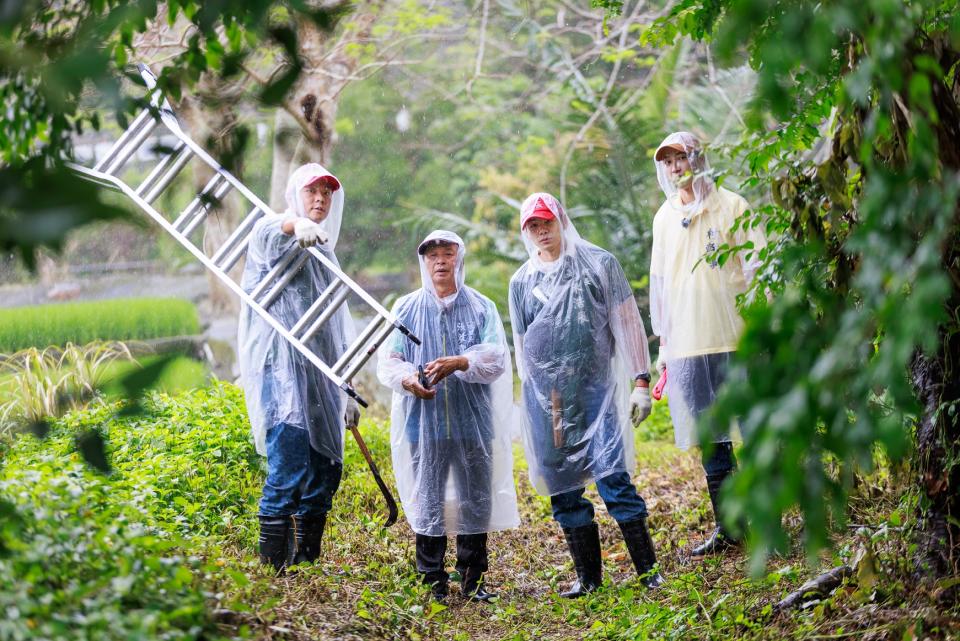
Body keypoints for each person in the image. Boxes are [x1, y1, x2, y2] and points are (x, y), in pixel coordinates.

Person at [508, 193, 662, 597]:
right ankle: (588, 579)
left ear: (561, 220)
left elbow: (627, 322)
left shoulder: (598, 264)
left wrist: (640, 381)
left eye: (547, 222)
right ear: (526, 231)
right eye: (533, 226)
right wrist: (532, 406)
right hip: (551, 401)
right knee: (564, 485)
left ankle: (649, 573)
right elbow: (522, 347)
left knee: (613, 476)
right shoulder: (522, 282)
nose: (541, 232)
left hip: (597, 392)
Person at [377, 230, 520, 603]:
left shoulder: (481, 307)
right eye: (433, 255)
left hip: (474, 424)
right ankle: (431, 579)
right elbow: (389, 361)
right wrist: (409, 379)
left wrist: (460, 362)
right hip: (423, 424)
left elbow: (495, 359)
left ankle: (473, 579)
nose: (440, 260)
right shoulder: (406, 309)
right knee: (428, 498)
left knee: (476, 498)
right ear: (424, 262)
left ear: (461, 258)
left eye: (448, 253)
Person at [649, 131, 768, 557]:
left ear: (700, 159)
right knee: (713, 444)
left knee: (755, 432)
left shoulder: (733, 206)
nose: (676, 167)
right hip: (687, 348)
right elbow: (660, 289)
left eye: (682, 158)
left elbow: (758, 272)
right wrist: (665, 351)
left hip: (736, 339)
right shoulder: (664, 218)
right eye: (668, 161)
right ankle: (731, 529)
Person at [238, 162, 360, 572]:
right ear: (295, 195)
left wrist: (346, 386)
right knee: (289, 465)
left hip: (321, 378)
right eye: (312, 192)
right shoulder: (272, 233)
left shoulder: (326, 252)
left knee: (326, 469)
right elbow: (268, 235)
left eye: (326, 193)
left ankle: (306, 563)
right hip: (280, 374)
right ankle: (273, 570)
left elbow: (338, 324)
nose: (320, 200)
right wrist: (293, 225)